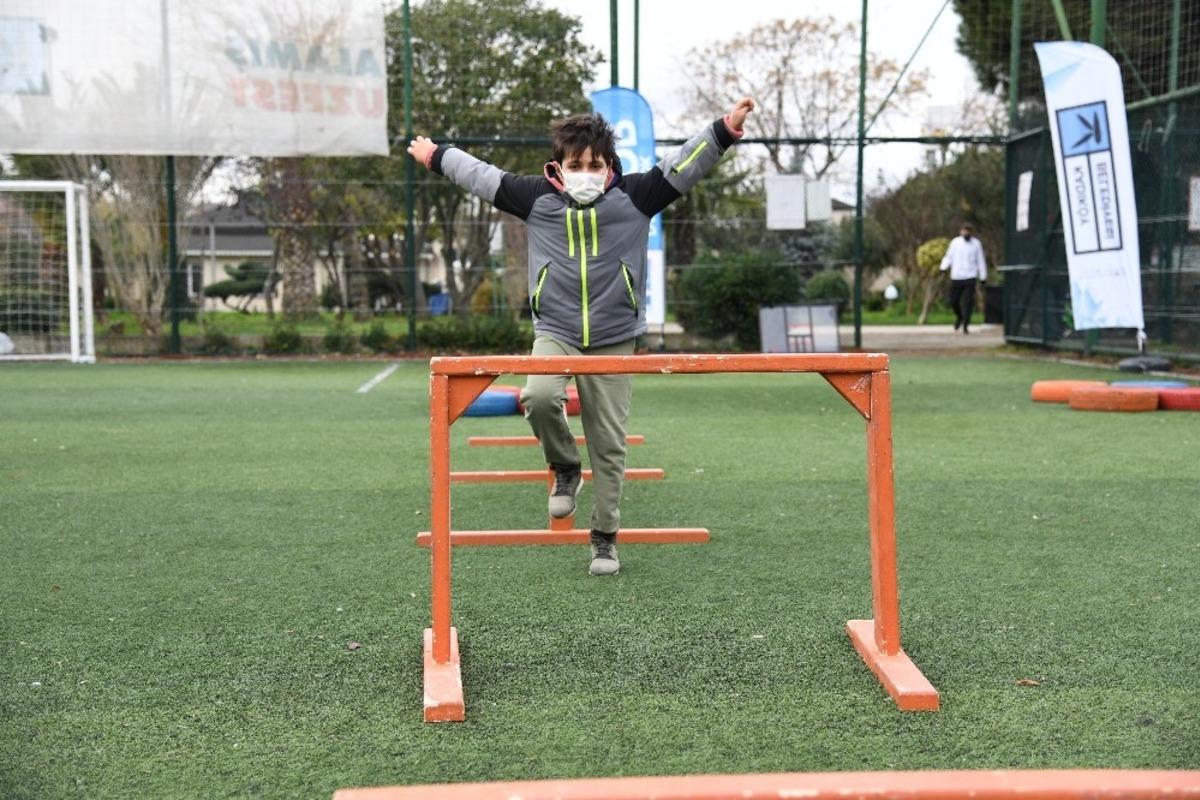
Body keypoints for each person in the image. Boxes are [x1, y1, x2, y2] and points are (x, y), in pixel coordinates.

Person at [408, 97, 755, 575]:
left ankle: (604, 536)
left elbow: (683, 164)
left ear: (610, 165)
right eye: (576, 166)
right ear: (559, 167)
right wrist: (437, 155)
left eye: (595, 165)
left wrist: (724, 129)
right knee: (538, 395)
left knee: (608, 444)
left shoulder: (637, 196)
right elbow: (482, 176)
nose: (586, 173)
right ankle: (565, 466)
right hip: (556, 329)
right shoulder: (536, 198)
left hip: (614, 335)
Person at [939, 222, 988, 334]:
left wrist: (983, 277)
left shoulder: (976, 244)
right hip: (956, 276)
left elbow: (980, 261)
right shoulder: (955, 243)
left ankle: (965, 324)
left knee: (968, 302)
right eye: (964, 231)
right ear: (960, 231)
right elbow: (949, 256)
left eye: (968, 231)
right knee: (953, 300)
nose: (966, 233)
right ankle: (960, 317)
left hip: (970, 277)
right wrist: (943, 267)